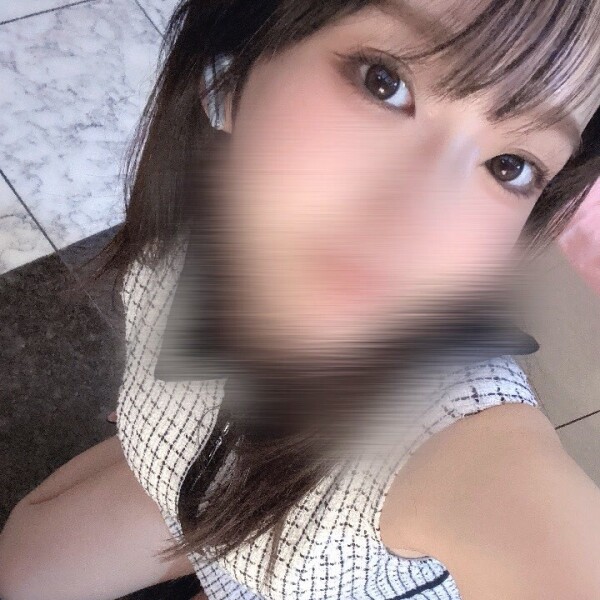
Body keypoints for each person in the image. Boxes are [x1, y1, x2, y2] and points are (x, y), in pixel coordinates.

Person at [1, 1, 600, 599]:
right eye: (384, 83)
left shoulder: (468, 441)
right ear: (238, 64)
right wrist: (167, 401)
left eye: (510, 166)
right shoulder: (196, 219)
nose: (417, 224)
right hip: (188, 492)